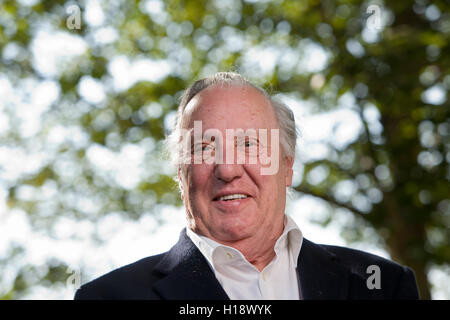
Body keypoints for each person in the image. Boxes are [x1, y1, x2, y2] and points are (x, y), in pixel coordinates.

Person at [74, 72, 419, 300]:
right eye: (205, 147)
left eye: (250, 144)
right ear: (181, 174)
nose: (227, 169)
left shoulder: (384, 287)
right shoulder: (108, 298)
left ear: (287, 166)